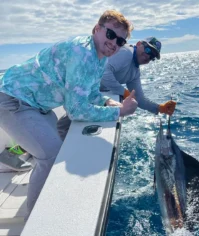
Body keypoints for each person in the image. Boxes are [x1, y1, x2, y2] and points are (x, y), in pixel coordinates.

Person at [0, 9, 137, 219]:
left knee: (57, 140)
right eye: (110, 35)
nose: (114, 43)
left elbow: (89, 92)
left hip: (39, 105)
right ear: (97, 29)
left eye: (120, 41)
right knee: (51, 154)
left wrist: (108, 101)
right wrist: (118, 113)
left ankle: (26, 162)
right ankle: (37, 221)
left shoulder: (99, 58)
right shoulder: (81, 52)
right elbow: (75, 111)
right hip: (13, 99)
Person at [101, 36, 176, 115]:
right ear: (138, 44)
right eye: (148, 50)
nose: (148, 56)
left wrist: (160, 108)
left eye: (152, 56)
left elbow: (139, 99)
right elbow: (103, 73)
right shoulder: (127, 52)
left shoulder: (135, 72)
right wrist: (124, 92)